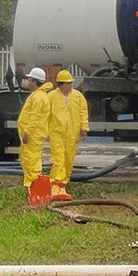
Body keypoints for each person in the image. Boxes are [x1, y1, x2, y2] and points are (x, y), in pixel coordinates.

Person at [48, 70, 89, 202]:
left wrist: (84, 127)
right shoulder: (51, 96)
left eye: (71, 83)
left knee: (69, 158)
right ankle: (56, 184)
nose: (70, 85)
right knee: (58, 157)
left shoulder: (77, 96)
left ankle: (63, 184)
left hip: (72, 133)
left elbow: (83, 112)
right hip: (56, 132)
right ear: (60, 84)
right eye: (67, 83)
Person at [16, 67, 52, 192]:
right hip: (34, 134)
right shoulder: (38, 95)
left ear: (35, 81)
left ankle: (34, 186)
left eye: (30, 79)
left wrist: (27, 133)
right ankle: (30, 185)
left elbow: (34, 117)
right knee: (29, 159)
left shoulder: (38, 97)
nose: (28, 82)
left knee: (31, 160)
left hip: (32, 135)